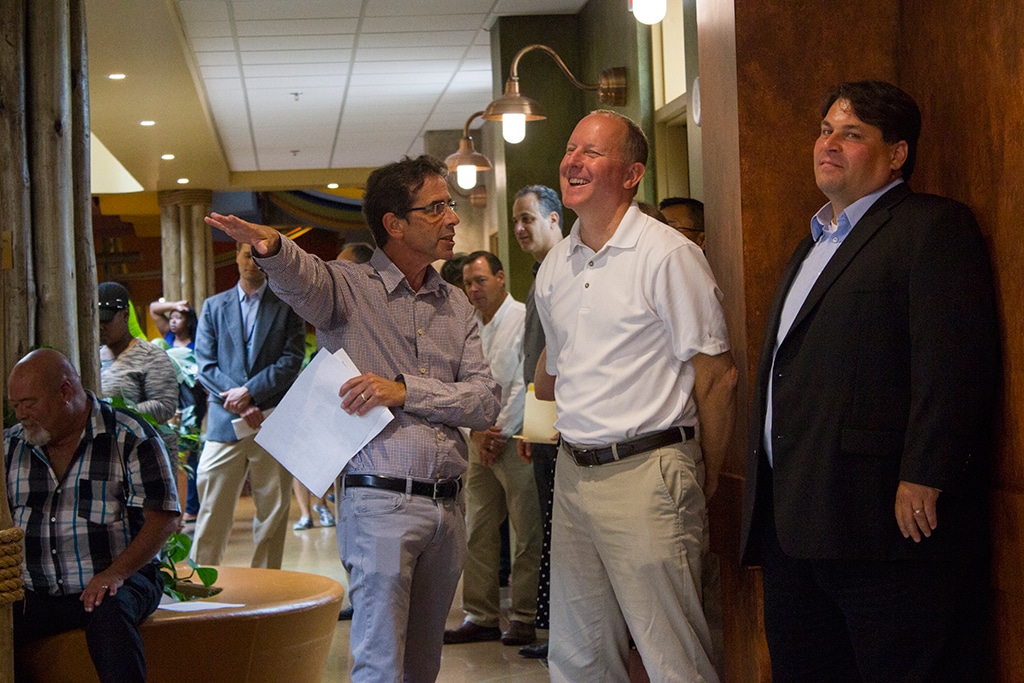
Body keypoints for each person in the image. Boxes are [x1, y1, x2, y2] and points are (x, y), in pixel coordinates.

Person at [204, 154, 501, 682]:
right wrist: (272, 247)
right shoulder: (347, 287)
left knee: (423, 667)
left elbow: (484, 401)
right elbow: (302, 278)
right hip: (381, 503)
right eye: (436, 208)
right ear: (395, 223)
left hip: (449, 507)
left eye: (450, 205)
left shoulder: (455, 304)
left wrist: (404, 391)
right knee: (380, 665)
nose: (453, 218)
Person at [740, 80, 1000, 682]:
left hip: (880, 524)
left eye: (852, 134)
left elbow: (953, 362)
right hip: (794, 522)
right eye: (825, 130)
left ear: (897, 153)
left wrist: (926, 471)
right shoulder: (811, 244)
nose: (828, 144)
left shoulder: (931, 227)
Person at [533, 110, 737, 683]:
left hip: (649, 469)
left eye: (591, 153)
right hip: (573, 472)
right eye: (570, 149)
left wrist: (703, 471)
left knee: (672, 657)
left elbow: (717, 377)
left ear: (631, 174)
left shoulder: (667, 254)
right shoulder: (555, 266)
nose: (573, 162)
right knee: (578, 657)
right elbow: (556, 373)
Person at [6, 349, 180, 683]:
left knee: (110, 616)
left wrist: (114, 574)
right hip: (37, 590)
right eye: (15, 405)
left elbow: (163, 519)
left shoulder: (129, 436)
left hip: (118, 580)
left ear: (65, 392)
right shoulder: (11, 446)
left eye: (29, 404)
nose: (21, 414)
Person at [444, 251, 543, 648]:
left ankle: (524, 615)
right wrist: (476, 431)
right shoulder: (468, 323)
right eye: (468, 283)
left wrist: (498, 430)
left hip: (514, 438)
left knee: (526, 531)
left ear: (501, 278)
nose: (473, 289)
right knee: (478, 529)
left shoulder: (520, 317)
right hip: (478, 438)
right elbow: (460, 382)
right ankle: (481, 615)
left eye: (480, 280)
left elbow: (524, 381)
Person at [190, 243, 305, 569]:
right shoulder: (214, 306)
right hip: (225, 420)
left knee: (273, 508)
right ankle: (201, 580)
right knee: (212, 507)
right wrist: (241, 402)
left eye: (258, 255)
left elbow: (291, 360)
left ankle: (265, 581)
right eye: (245, 254)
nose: (252, 261)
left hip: (271, 419)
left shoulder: (287, 305)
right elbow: (205, 365)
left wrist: (251, 393)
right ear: (236, 257)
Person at [510, 183, 564, 661]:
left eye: (527, 218)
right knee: (551, 530)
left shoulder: (566, 270)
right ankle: (557, 634)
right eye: (516, 221)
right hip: (543, 423)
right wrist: (531, 426)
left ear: (553, 219)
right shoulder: (541, 273)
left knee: (561, 531)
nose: (519, 228)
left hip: (567, 426)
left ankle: (564, 636)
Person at [98, 281, 179, 425]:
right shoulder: (92, 358)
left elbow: (165, 405)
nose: (100, 327)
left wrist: (116, 414)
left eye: (106, 320)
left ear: (125, 315)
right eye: (97, 320)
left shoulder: (151, 355)